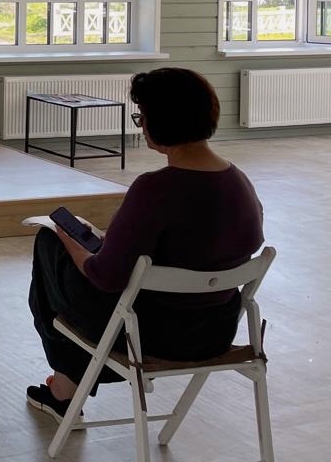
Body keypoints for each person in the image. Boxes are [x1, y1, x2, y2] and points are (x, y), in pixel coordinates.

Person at [26, 67, 264, 420]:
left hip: (148, 335)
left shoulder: (155, 189)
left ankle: (64, 387)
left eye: (142, 116)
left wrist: (68, 238)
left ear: (162, 121)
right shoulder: (239, 182)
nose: (141, 125)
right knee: (90, 261)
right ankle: (67, 385)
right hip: (215, 331)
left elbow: (105, 276)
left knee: (50, 246)